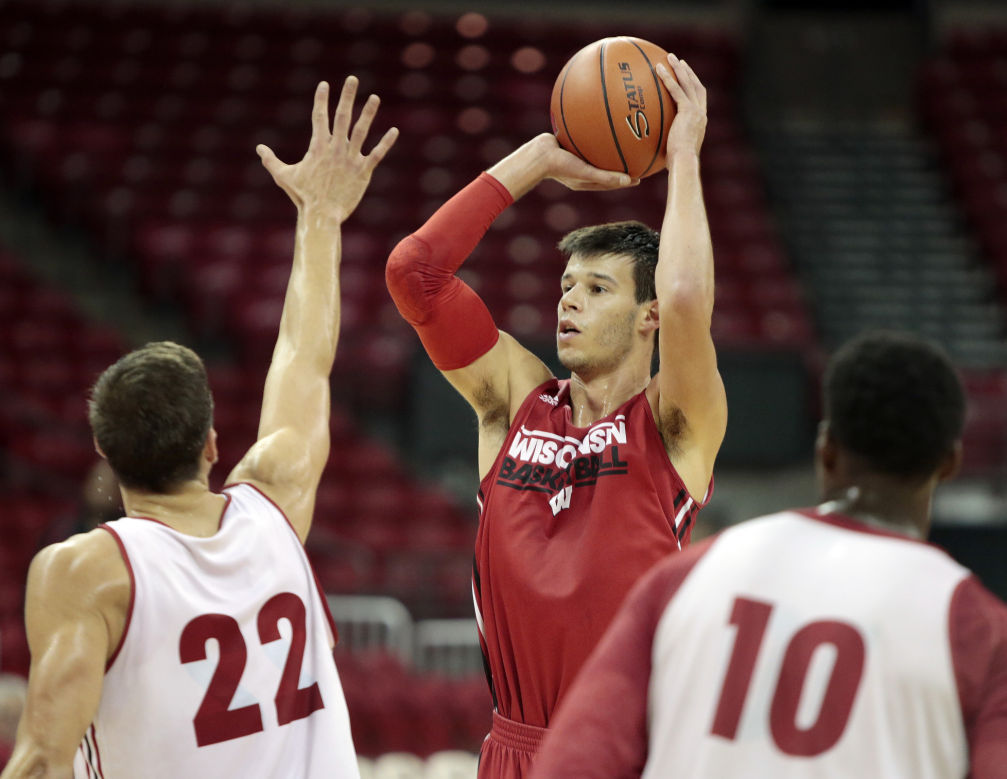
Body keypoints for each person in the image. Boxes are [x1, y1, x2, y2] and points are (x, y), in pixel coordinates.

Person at [0, 76, 397, 779]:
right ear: (213, 443)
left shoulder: (87, 572)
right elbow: (304, 359)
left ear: (105, 456)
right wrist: (320, 216)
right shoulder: (275, 502)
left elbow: (39, 762)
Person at [386, 53, 726, 776]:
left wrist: (684, 153)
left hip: (621, 751)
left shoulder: (673, 423)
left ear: (647, 316)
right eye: (567, 284)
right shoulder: (514, 399)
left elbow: (691, 299)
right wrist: (538, 159)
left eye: (597, 288)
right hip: (511, 749)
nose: (568, 300)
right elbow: (414, 273)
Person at [532, 330, 1007, 779]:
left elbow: (572, 765)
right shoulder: (977, 628)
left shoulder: (688, 576)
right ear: (950, 464)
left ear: (826, 449)